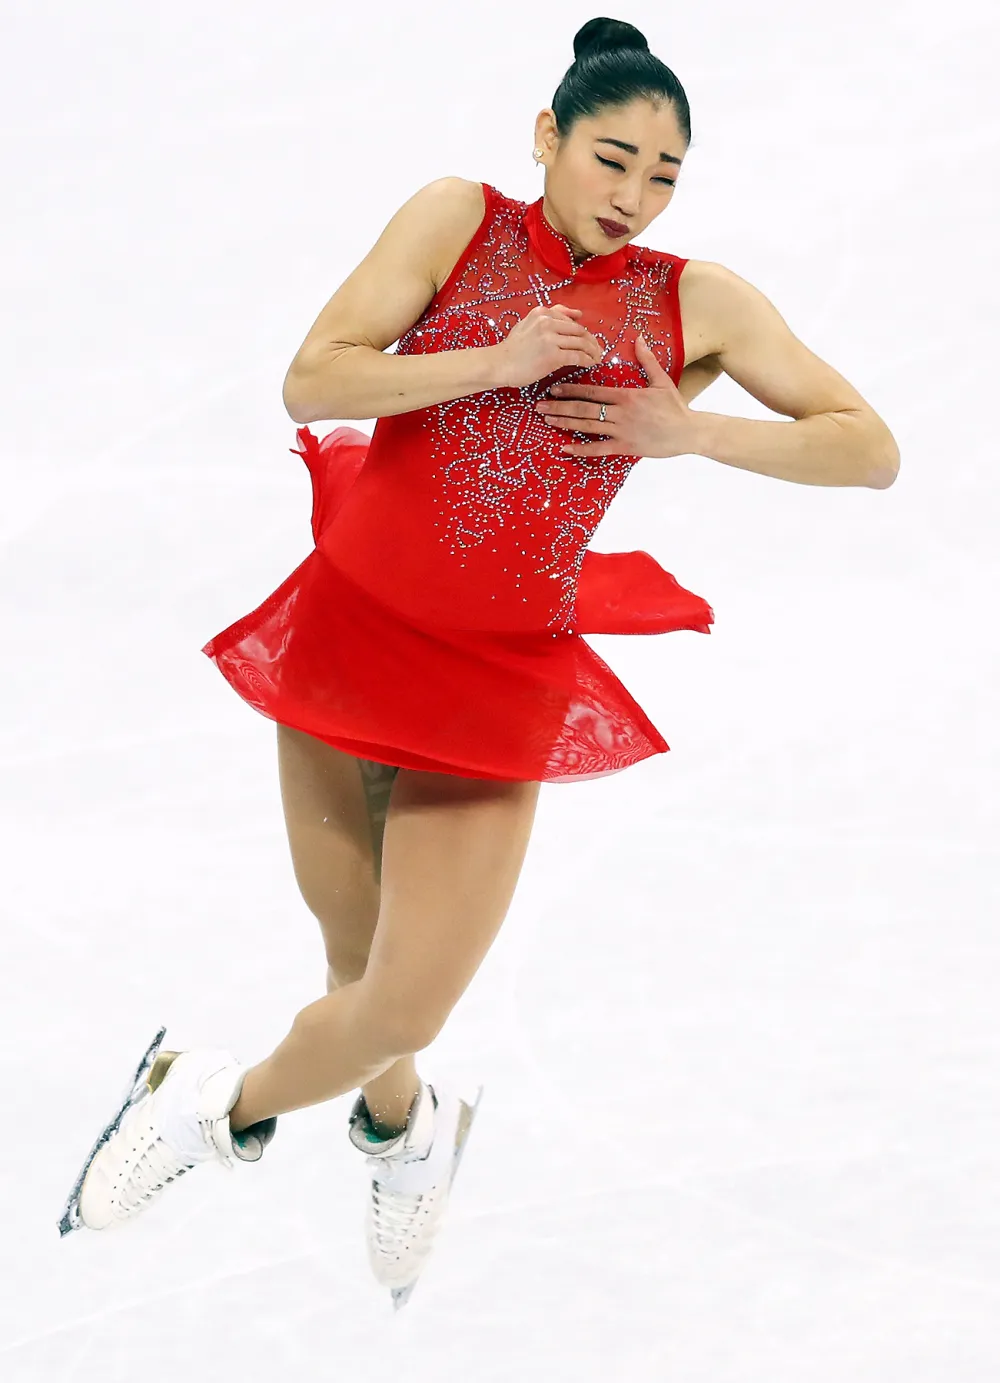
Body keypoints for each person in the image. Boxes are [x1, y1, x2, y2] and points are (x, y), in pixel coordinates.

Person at [58, 14, 899, 1309]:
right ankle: (406, 1134)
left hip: (493, 680)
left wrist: (691, 430)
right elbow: (314, 379)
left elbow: (867, 446)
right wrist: (499, 360)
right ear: (548, 136)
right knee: (355, 968)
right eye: (613, 157)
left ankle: (202, 1111)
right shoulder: (457, 219)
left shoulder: (694, 302)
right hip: (346, 639)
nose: (634, 196)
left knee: (400, 1006)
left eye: (664, 175)